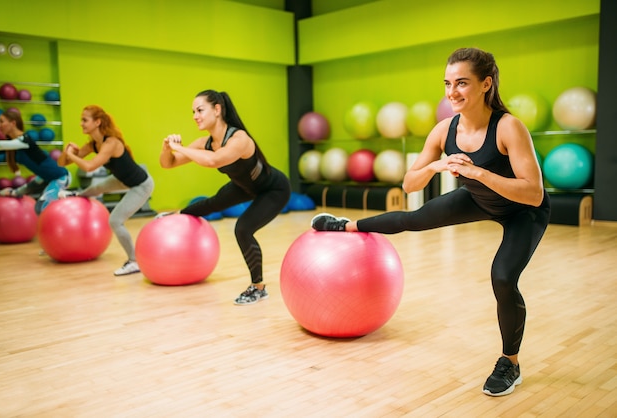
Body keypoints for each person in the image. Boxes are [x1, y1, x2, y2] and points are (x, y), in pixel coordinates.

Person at [311, 47, 550, 397]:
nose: (452, 92)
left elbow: (533, 193)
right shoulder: (444, 130)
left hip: (523, 211)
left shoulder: (509, 128)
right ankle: (344, 226)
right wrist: (435, 166)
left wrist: (477, 172)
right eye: (448, 83)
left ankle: (509, 363)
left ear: (486, 84)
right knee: (415, 218)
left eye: (462, 83)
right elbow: (409, 185)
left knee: (503, 276)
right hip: (480, 197)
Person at [158, 89, 291, 305]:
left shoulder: (239, 138)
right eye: (193, 111)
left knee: (243, 228)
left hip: (273, 189)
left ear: (217, 109)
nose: (195, 116)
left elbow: (214, 161)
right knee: (211, 204)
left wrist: (180, 148)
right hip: (243, 186)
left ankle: (258, 287)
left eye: (200, 110)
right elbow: (168, 163)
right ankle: (175, 215)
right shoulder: (204, 142)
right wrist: (167, 148)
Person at [57, 105, 154, 276]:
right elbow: (62, 164)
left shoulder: (111, 143)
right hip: (122, 180)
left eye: (84, 120)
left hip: (141, 185)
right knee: (96, 188)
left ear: (97, 122)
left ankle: (134, 261)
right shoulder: (94, 144)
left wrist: (72, 155)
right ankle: (77, 195)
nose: (81, 124)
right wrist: (68, 152)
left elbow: (89, 167)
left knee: (115, 221)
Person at [0, 109, 70, 213]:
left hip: (61, 177)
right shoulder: (15, 149)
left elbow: (0, 145)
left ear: (13, 123)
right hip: (43, 178)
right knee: (17, 193)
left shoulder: (25, 140)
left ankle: (72, 195)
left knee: (42, 207)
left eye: (1, 121)